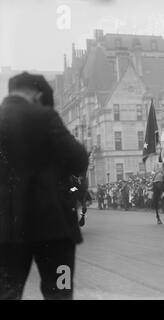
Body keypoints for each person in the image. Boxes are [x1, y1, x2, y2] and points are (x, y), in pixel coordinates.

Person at [0, 72, 89, 299]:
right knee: (60, 290)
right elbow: (78, 158)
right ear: (37, 94)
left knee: (7, 292)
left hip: (6, 231)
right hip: (55, 230)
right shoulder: (45, 117)